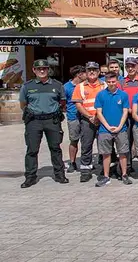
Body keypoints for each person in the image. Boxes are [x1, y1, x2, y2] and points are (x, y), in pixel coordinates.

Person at [19, 59, 68, 188]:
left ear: (48, 70)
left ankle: (59, 175)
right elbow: (23, 104)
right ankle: (30, 177)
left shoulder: (57, 85)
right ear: (34, 70)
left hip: (52, 120)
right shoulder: (27, 86)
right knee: (32, 150)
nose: (42, 71)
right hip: (34, 121)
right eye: (39, 69)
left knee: (55, 148)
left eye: (44, 68)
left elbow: (62, 102)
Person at [94, 73, 131, 187]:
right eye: (109, 82)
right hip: (105, 129)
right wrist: (107, 126)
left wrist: (120, 126)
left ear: (117, 82)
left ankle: (124, 174)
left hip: (121, 128)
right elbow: (99, 113)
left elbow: (125, 111)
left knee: (123, 153)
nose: (111, 84)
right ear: (106, 82)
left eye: (113, 82)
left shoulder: (123, 95)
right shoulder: (100, 95)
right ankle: (106, 176)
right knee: (106, 153)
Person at [73, 62, 106, 183]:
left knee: (104, 146)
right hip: (87, 120)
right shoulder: (80, 87)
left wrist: (98, 117)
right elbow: (78, 104)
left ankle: (104, 169)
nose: (92, 72)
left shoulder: (105, 85)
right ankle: (85, 171)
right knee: (86, 146)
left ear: (98, 72)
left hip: (102, 120)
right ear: (85, 72)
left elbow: (107, 102)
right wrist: (89, 116)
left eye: (94, 70)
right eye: (89, 70)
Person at [64, 65, 86, 173]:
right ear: (79, 75)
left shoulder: (85, 85)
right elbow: (62, 102)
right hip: (73, 117)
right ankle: (72, 162)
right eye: (85, 73)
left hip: (86, 116)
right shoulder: (66, 87)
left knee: (87, 141)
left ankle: (85, 161)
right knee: (74, 140)